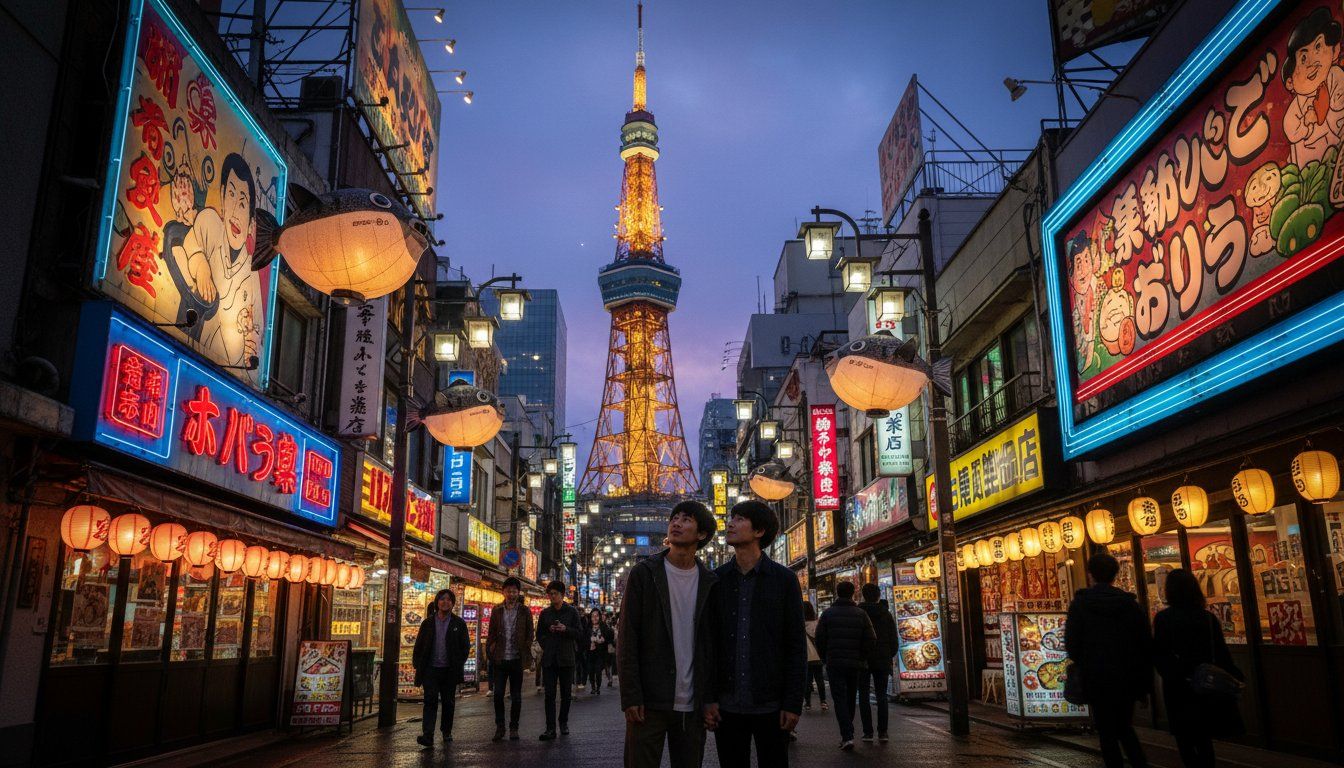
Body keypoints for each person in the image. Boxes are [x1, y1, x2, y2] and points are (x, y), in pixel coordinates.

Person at [704, 500, 807, 768]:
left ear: (759, 531)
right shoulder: (717, 580)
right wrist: (709, 699)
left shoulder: (784, 580)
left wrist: (793, 702)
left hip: (771, 704)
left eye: (739, 519)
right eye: (731, 518)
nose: (730, 524)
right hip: (727, 704)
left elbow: (795, 644)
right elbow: (709, 644)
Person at [619, 500, 720, 768]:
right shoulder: (644, 574)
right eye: (674, 518)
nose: (676, 522)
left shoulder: (710, 582)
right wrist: (631, 696)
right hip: (649, 701)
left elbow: (711, 646)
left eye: (686, 519)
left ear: (702, 534)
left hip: (692, 702)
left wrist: (710, 698)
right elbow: (627, 638)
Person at [1065, 552, 1152, 768]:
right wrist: (1144, 683)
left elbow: (1072, 646)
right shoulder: (1131, 606)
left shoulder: (1081, 605)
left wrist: (1086, 661)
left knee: (1106, 731)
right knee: (1125, 726)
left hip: (1096, 677)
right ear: (1116, 574)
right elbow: (1144, 645)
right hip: (1127, 676)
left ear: (1091, 574)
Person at [1153, 568, 1244, 768]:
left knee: (1184, 739)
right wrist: (1236, 677)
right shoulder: (1207, 618)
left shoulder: (1164, 619)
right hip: (1206, 684)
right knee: (1204, 739)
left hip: (1178, 687)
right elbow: (1221, 653)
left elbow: (1159, 654)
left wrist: (1172, 673)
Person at [815, 581, 876, 751]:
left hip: (835, 663)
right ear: (852, 593)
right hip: (855, 663)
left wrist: (826, 657)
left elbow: (820, 639)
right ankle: (848, 732)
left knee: (839, 698)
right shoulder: (861, 614)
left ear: (837, 593)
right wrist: (862, 656)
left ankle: (847, 735)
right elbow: (871, 639)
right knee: (850, 697)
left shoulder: (827, 614)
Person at [411, 589, 469, 748]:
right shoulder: (428, 623)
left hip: (449, 670)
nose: (445, 602)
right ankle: (428, 735)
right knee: (429, 701)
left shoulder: (459, 623)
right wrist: (418, 664)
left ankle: (446, 731)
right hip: (431, 669)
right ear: (437, 602)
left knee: (448, 702)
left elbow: (465, 647)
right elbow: (419, 645)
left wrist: (458, 663)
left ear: (452, 603)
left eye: (449, 599)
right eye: (442, 599)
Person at [485, 576, 533, 741]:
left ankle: (514, 727)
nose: (511, 594)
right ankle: (500, 727)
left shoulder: (524, 611)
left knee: (516, 695)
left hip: (516, 659)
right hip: (500, 659)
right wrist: (489, 651)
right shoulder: (497, 610)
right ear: (503, 592)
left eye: (514, 591)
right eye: (509, 591)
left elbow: (529, 632)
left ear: (518, 593)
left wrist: (525, 649)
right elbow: (491, 633)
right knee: (498, 694)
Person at [537, 579, 583, 741]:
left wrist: (565, 629)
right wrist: (547, 641)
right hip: (549, 659)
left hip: (566, 658)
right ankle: (550, 728)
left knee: (565, 694)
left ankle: (563, 722)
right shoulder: (545, 613)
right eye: (550, 594)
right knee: (549, 695)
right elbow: (539, 635)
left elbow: (579, 633)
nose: (552, 597)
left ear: (562, 595)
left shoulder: (571, 612)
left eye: (555, 594)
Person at [857, 583, 897, 743]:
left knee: (864, 696)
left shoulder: (859, 613)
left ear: (863, 595)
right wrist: (888, 654)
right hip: (882, 659)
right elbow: (893, 639)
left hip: (863, 659)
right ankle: (883, 732)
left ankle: (868, 732)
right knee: (881, 696)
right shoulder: (886, 614)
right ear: (878, 595)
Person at [802, 602, 827, 712]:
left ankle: (807, 703)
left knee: (807, 681)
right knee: (820, 680)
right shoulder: (817, 623)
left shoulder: (800, 625)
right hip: (818, 656)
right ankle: (823, 702)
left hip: (806, 657)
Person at [586, 609, 614, 695]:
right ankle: (593, 687)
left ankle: (598, 687)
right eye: (593, 616)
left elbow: (610, 636)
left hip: (600, 654)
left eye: (596, 616)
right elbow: (583, 639)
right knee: (591, 671)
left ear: (600, 617)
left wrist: (604, 640)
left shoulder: (604, 627)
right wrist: (589, 644)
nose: (595, 618)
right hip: (590, 653)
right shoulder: (588, 628)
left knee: (598, 671)